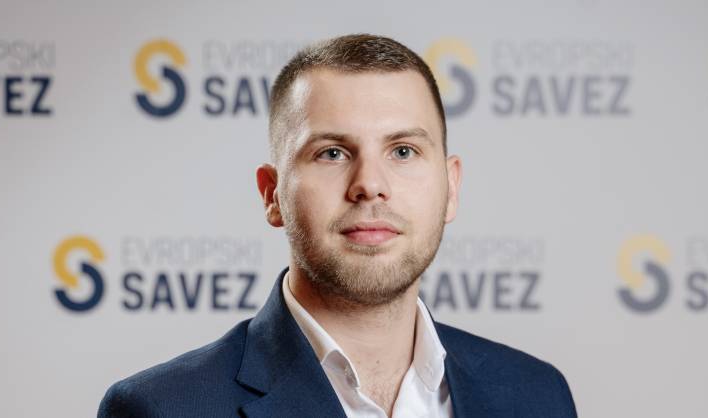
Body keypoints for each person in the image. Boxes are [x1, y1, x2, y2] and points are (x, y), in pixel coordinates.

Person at [98, 34, 577, 418]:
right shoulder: (161, 409)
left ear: (450, 188)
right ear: (272, 195)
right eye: (332, 153)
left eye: (403, 151)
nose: (370, 185)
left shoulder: (537, 395)